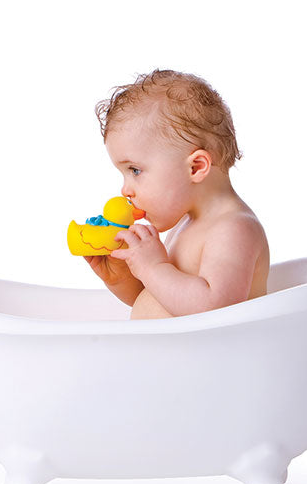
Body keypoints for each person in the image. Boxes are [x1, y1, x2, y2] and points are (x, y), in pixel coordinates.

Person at [84, 69, 270, 319]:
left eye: (135, 170)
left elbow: (215, 310)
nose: (125, 190)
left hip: (216, 358)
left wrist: (153, 267)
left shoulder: (233, 229)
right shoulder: (184, 223)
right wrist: (121, 278)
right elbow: (166, 297)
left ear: (196, 167)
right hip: (171, 357)